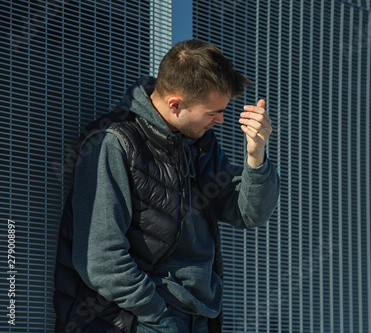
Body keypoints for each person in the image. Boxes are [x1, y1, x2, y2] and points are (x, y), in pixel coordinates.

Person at [53, 39, 280, 333]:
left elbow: (249, 213)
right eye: (212, 112)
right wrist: (160, 315)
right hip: (136, 320)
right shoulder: (113, 143)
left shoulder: (201, 143)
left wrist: (256, 156)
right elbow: (101, 261)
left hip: (197, 316)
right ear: (175, 104)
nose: (221, 120)